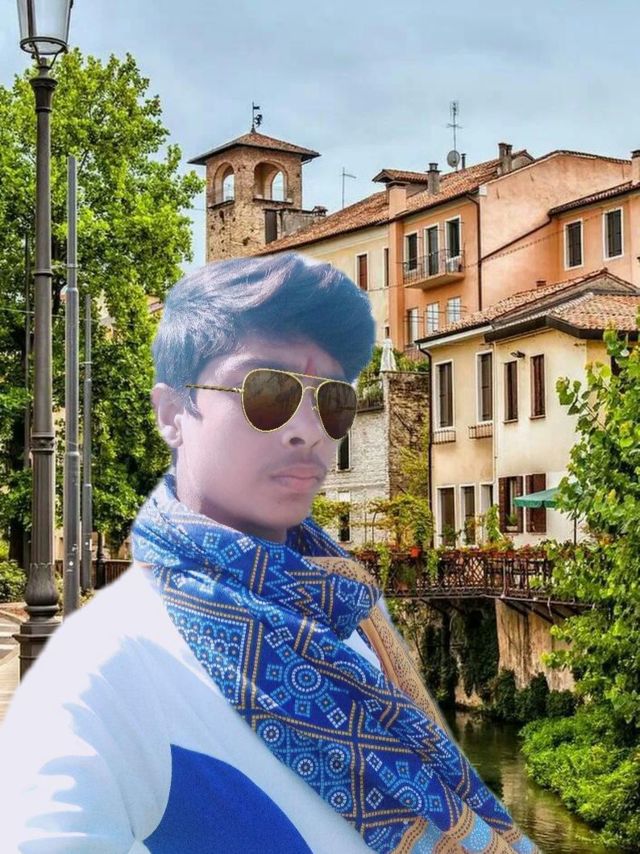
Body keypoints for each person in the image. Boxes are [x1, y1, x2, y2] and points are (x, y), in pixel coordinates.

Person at [0, 253, 538, 853]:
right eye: (267, 392)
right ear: (174, 414)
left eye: (332, 401)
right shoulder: (107, 669)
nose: (307, 429)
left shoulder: (350, 608)